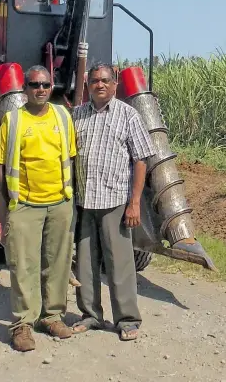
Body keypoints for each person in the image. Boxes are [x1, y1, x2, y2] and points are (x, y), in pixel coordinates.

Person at [0, 65, 77, 352]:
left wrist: (69, 198)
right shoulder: (13, 120)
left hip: (59, 203)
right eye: (33, 84)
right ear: (25, 89)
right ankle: (23, 324)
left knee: (58, 264)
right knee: (22, 266)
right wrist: (7, 203)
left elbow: (72, 158)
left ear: (51, 87)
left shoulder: (63, 116)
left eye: (44, 84)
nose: (40, 89)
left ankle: (51, 317)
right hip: (25, 205)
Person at [71, 62, 156, 341]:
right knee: (85, 263)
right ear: (87, 85)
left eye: (105, 80)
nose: (100, 85)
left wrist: (134, 204)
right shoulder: (77, 116)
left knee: (119, 263)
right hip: (84, 203)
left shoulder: (128, 116)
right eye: (95, 80)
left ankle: (127, 319)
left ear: (115, 84)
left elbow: (141, 160)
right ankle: (90, 315)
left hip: (115, 203)